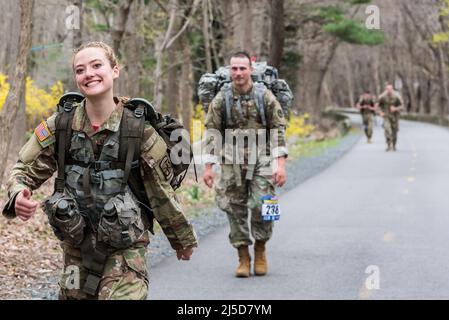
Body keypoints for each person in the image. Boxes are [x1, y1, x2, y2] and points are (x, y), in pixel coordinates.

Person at [1, 41, 197, 300]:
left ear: (115, 70)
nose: (89, 74)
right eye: (80, 70)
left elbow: (159, 191)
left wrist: (180, 239)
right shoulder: (62, 125)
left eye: (97, 65)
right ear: (76, 78)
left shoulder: (137, 128)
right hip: (76, 248)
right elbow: (23, 169)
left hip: (126, 249)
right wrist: (18, 193)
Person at [202, 51, 288, 277]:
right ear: (230, 71)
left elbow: (278, 129)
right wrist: (209, 167)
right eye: (234, 69)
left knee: (265, 204)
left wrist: (281, 165)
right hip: (231, 159)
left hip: (262, 158)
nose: (238, 73)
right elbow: (211, 131)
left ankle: (261, 249)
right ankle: (242, 255)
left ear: (251, 69)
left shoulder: (265, 96)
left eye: (242, 68)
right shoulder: (222, 98)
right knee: (233, 207)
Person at [376, 83, 404, 151]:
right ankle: (388, 145)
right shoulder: (382, 96)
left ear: (392, 89)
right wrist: (380, 112)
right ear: (386, 89)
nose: (389, 90)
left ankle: (394, 145)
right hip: (386, 116)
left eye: (390, 89)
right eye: (387, 89)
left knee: (394, 131)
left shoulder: (397, 96)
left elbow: (402, 106)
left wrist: (395, 108)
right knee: (387, 129)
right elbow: (377, 106)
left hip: (395, 116)